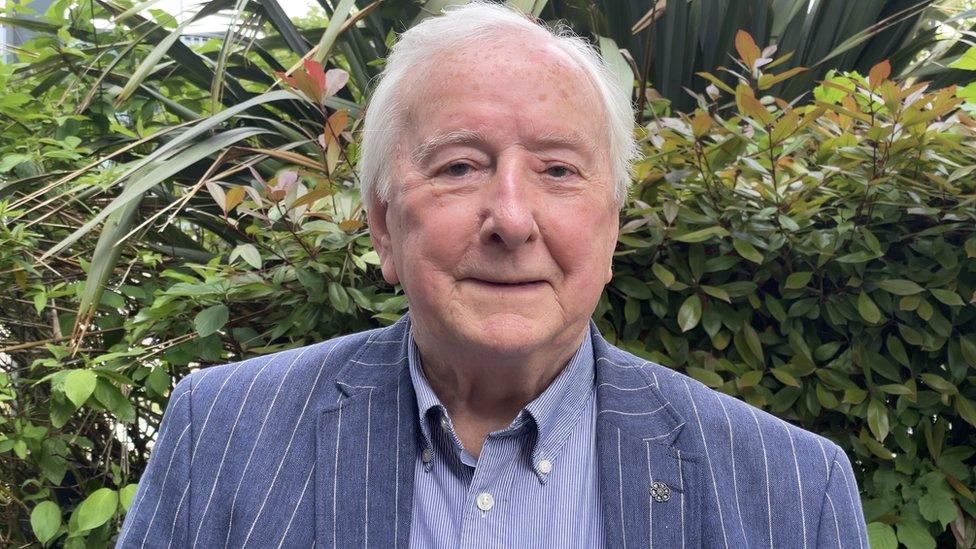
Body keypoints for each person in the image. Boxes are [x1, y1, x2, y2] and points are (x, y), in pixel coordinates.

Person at [117, 2, 868, 547]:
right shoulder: (222, 434)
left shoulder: (792, 491)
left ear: (610, 227)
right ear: (383, 224)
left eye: (558, 169)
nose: (511, 217)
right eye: (460, 165)